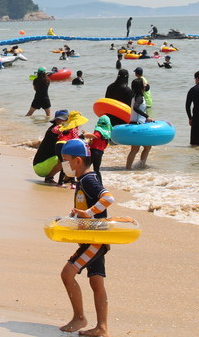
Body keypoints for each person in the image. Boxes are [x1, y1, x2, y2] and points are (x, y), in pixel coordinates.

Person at [58, 138, 113, 335]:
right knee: (96, 281)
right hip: (94, 238)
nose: (65, 165)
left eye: (66, 160)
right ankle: (102, 328)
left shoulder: (89, 179)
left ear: (78, 161)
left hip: (95, 240)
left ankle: (79, 318)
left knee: (67, 273)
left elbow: (108, 198)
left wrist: (88, 213)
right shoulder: (82, 180)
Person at [32, 109, 70, 183]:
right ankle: (49, 177)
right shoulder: (54, 131)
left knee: (68, 156)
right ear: (56, 120)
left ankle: (68, 178)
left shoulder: (59, 130)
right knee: (66, 159)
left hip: (44, 164)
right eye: (61, 119)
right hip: (40, 166)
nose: (64, 122)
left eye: (66, 120)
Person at [82, 116, 113, 181]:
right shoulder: (107, 133)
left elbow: (95, 136)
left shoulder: (99, 130)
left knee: (85, 167)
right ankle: (100, 184)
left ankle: (82, 182)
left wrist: (85, 134)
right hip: (100, 152)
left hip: (93, 151)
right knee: (96, 169)